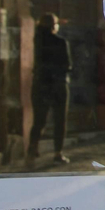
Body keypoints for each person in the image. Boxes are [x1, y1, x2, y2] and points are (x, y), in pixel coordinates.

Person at [29, 12, 71, 165]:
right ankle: (58, 153)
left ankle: (31, 151)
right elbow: (67, 65)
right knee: (60, 120)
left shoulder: (37, 41)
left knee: (38, 120)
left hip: (40, 84)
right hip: (58, 85)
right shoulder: (61, 42)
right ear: (54, 26)